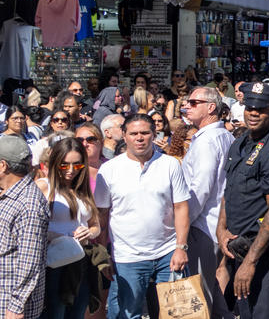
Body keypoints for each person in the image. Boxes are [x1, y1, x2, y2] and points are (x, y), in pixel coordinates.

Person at [94, 113, 190, 319]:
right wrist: (104, 255)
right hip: (127, 257)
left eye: (145, 133)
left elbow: (181, 207)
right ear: (124, 136)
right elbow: (102, 215)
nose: (139, 138)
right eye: (134, 133)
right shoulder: (109, 170)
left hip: (168, 254)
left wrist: (181, 247)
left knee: (174, 315)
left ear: (154, 135)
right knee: (129, 314)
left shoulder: (170, 164)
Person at [216, 83, 269, 319]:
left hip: (266, 256)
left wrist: (250, 262)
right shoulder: (239, 143)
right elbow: (229, 191)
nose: (253, 113)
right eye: (249, 107)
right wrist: (221, 230)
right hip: (239, 249)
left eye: (261, 109)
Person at [181, 86, 235, 319]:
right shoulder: (223, 135)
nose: (187, 106)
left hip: (202, 225)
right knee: (209, 287)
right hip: (214, 222)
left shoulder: (208, 140)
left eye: (193, 103)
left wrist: (183, 223)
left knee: (199, 292)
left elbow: (200, 188)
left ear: (211, 108)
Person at [37, 137, 102, 319]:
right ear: (55, 162)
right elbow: (29, 226)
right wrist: (56, 235)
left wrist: (89, 233)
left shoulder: (82, 189)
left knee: (77, 314)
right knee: (55, 314)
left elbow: (95, 225)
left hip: (81, 259)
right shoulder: (44, 187)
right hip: (54, 262)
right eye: (65, 165)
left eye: (77, 165)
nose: (71, 171)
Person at [0, 134, 50, 319]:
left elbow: (30, 261)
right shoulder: (8, 194)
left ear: (3, 165)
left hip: (9, 305)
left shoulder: (29, 204)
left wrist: (16, 306)